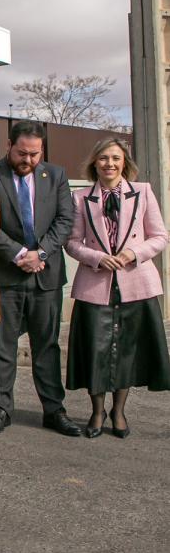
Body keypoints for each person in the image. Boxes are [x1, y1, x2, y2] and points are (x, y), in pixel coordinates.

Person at [64, 138, 169, 438]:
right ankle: (97, 412)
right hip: (96, 285)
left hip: (136, 284)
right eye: (103, 158)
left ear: (125, 162)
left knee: (127, 351)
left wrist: (133, 254)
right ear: (94, 162)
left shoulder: (144, 192)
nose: (109, 163)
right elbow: (71, 243)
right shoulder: (81, 198)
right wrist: (97, 258)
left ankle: (118, 412)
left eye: (115, 158)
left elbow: (160, 236)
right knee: (96, 351)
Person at [0, 121, 80, 436]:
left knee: (47, 347)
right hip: (6, 275)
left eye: (35, 154)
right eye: (22, 153)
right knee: (2, 347)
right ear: (8, 144)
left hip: (46, 275)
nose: (28, 160)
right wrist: (17, 254)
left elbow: (65, 219)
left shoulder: (56, 175)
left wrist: (39, 254)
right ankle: (1, 411)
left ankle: (54, 411)